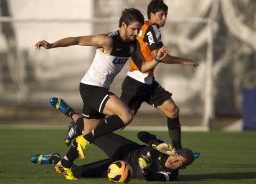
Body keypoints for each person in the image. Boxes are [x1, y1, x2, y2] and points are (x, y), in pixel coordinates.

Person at [35, 8, 168, 180]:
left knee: (89, 129)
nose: (136, 33)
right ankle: (84, 137)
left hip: (99, 91)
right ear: (123, 25)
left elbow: (142, 67)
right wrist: (51, 45)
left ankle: (65, 163)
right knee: (126, 115)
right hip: (91, 88)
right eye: (133, 29)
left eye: (138, 30)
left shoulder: (132, 45)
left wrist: (157, 59)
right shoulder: (107, 40)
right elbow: (77, 40)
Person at [120, 0, 198, 150]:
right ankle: (82, 126)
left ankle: (178, 150)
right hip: (136, 83)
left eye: (166, 15)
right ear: (152, 15)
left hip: (147, 83)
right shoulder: (152, 28)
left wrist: (183, 61)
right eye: (161, 15)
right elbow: (159, 56)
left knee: (172, 110)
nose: (164, 18)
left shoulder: (144, 28)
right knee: (119, 122)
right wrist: (182, 60)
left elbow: (158, 56)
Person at [31, 131, 195, 181]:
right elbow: (141, 134)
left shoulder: (172, 175)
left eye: (180, 163)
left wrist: (145, 171)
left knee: (76, 174)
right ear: (174, 152)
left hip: (120, 168)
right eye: (177, 157)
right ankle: (72, 117)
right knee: (93, 132)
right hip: (125, 149)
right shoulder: (164, 148)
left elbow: (154, 178)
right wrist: (154, 144)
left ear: (183, 167)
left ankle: (54, 158)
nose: (175, 162)